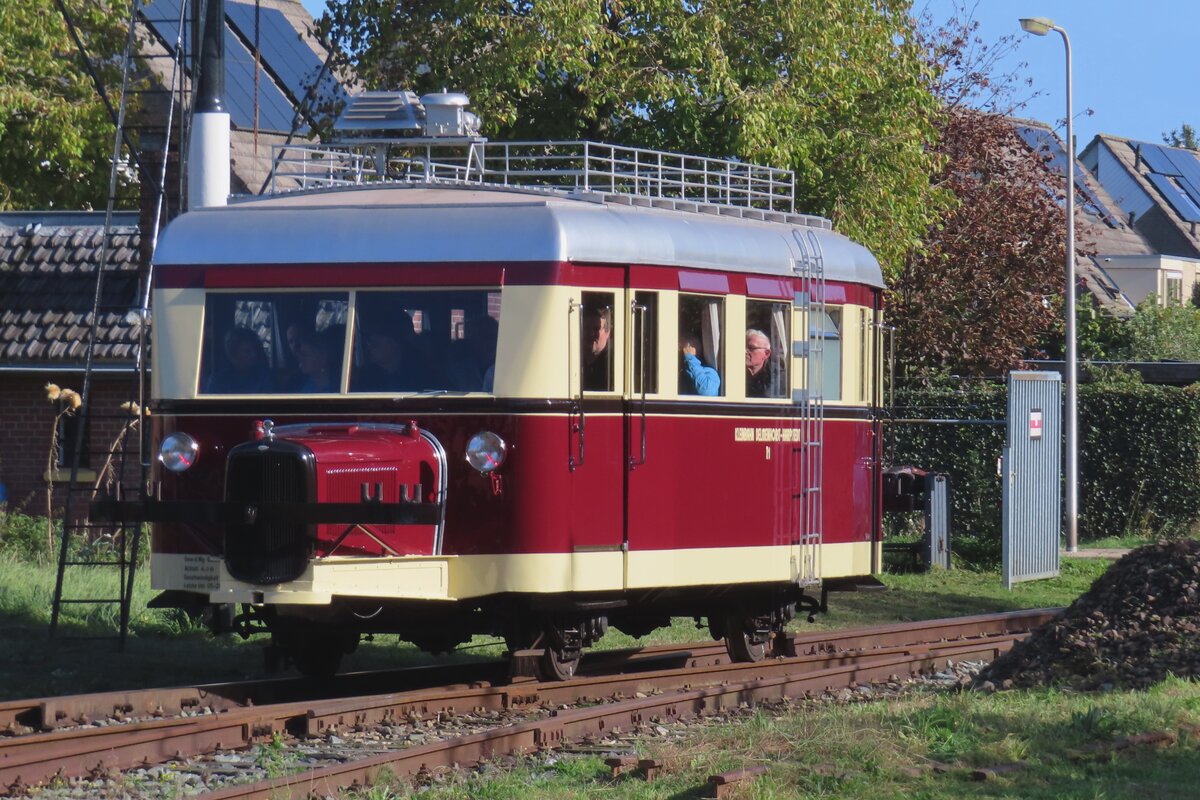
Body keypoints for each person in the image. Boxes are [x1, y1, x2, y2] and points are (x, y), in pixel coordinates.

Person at [204, 327, 274, 393]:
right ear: (233, 354)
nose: (254, 354)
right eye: (248, 351)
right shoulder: (217, 382)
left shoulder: (263, 378)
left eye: (255, 349)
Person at [293, 327, 341, 392]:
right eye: (299, 354)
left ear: (323, 357)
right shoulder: (301, 385)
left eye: (305, 354)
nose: (300, 358)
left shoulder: (340, 387)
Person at [582, 305, 613, 391]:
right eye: (586, 328)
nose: (590, 334)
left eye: (596, 329)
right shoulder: (572, 361)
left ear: (608, 333)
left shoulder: (613, 366)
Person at [745, 328, 773, 398]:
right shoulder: (734, 372)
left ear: (766, 354)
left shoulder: (777, 376)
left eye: (751, 348)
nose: (745, 351)